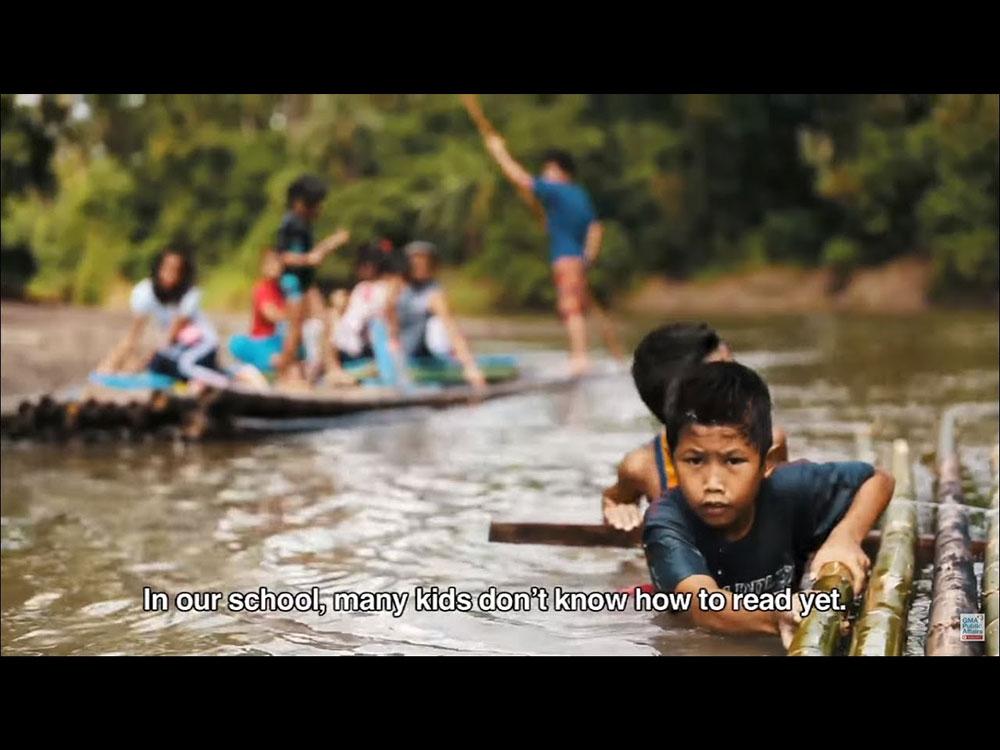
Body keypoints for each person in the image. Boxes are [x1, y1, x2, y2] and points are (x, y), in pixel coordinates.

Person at [642, 361, 894, 645]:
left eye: (733, 461)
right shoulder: (666, 520)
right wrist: (777, 616)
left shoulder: (788, 489)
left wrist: (845, 537)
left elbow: (878, 480)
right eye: (695, 460)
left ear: (766, 462)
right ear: (673, 458)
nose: (713, 483)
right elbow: (705, 608)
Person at [602, 323, 789, 531]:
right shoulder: (643, 467)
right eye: (722, 379)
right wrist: (620, 511)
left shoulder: (769, 443)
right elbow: (614, 499)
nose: (738, 383)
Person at [484, 136, 603, 375]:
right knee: (574, 307)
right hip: (577, 259)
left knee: (571, 308)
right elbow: (596, 227)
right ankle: (579, 354)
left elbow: (520, 178)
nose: (545, 174)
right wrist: (589, 256)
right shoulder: (579, 194)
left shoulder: (556, 190)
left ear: (559, 171)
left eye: (548, 169)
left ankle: (580, 360)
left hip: (565, 258)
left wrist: (499, 152)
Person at [97, 249, 228, 389]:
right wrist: (110, 364)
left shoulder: (189, 296)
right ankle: (197, 378)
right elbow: (133, 336)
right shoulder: (145, 292)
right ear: (158, 269)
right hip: (175, 349)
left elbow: (170, 338)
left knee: (184, 365)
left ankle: (223, 383)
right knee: (157, 365)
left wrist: (138, 367)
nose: (170, 274)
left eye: (176, 270)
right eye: (167, 268)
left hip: (200, 346)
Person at [271, 174, 352, 385]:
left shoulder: (304, 224)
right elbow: (283, 256)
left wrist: (331, 243)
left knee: (325, 322)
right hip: (294, 283)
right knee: (295, 331)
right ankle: (284, 375)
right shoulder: (290, 223)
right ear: (300, 203)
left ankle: (332, 368)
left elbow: (314, 255)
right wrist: (309, 258)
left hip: (306, 282)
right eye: (315, 204)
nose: (319, 209)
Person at [386, 241, 486, 389]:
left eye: (423, 260)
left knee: (436, 324)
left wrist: (470, 366)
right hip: (396, 351)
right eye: (414, 260)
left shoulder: (434, 295)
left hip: (420, 354)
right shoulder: (398, 287)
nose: (417, 264)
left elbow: (451, 328)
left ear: (432, 265)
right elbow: (388, 318)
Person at [227, 248, 301, 386]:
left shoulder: (286, 288)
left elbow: (295, 315)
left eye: (277, 263)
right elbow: (270, 314)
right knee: (237, 343)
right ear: (263, 267)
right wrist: (292, 313)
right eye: (269, 263)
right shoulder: (262, 288)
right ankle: (248, 371)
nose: (274, 266)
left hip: (279, 341)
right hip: (262, 342)